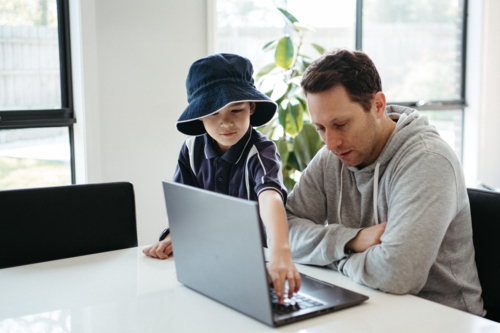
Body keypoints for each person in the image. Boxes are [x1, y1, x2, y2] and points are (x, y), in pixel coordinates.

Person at [285, 49, 485, 316]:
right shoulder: (331, 157)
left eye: (341, 124)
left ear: (378, 105)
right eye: (320, 128)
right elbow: (285, 230)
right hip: (367, 305)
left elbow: (397, 274)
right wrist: (351, 240)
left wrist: (334, 258)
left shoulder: (428, 160)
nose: (330, 143)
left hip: (441, 318)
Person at [143, 53, 300, 303]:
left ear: (251, 107)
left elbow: (270, 197)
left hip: (258, 264)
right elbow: (183, 202)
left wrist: (281, 253)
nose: (226, 123)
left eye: (236, 110)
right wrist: (175, 235)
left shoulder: (260, 151)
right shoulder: (191, 149)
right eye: (213, 113)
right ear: (199, 116)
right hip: (210, 262)